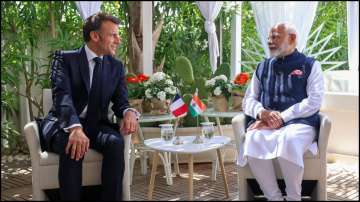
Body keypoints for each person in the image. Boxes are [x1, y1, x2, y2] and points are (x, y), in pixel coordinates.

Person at [39, 12, 140, 200]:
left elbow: (121, 102)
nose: (118, 40)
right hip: (63, 126)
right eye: (113, 35)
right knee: (73, 145)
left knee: (115, 143)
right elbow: (62, 97)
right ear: (95, 36)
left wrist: (129, 112)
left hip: (95, 125)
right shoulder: (64, 59)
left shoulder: (116, 66)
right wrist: (75, 128)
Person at [239, 22, 324, 201]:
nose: (270, 41)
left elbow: (314, 102)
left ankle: (294, 197)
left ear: (292, 38)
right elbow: (248, 100)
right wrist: (262, 113)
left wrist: (281, 117)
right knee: (253, 138)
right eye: (269, 38)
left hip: (301, 124)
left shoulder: (310, 65)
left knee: (289, 139)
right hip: (266, 123)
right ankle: (274, 197)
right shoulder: (262, 67)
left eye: (276, 37)